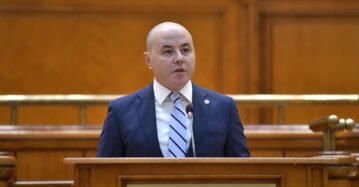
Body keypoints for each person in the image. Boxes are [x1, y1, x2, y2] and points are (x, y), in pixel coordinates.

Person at [97, 22, 250, 157]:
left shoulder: (224, 107)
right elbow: (104, 174)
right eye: (168, 51)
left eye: (185, 50)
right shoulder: (121, 111)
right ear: (148, 60)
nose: (179, 58)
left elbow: (243, 171)